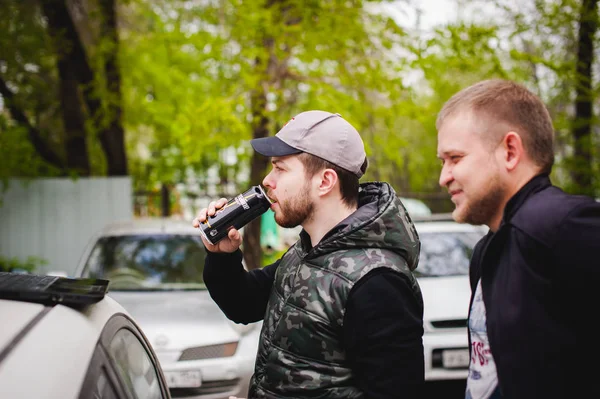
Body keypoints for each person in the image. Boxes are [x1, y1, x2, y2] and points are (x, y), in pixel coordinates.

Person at [193, 110, 424, 398]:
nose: (267, 180)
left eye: (281, 168)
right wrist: (222, 255)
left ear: (325, 181)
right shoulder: (306, 252)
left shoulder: (377, 282)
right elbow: (243, 304)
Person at [436, 79, 600, 399]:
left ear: (510, 151)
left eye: (455, 158)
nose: (444, 177)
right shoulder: (489, 249)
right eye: (443, 162)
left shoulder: (561, 226)